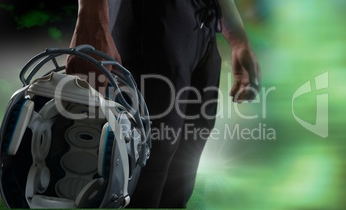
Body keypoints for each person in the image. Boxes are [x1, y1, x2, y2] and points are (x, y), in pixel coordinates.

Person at [66, 0, 260, 208]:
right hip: (150, 19)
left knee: (179, 178)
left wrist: (239, 40)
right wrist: (91, 17)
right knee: (139, 175)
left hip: (203, 25)